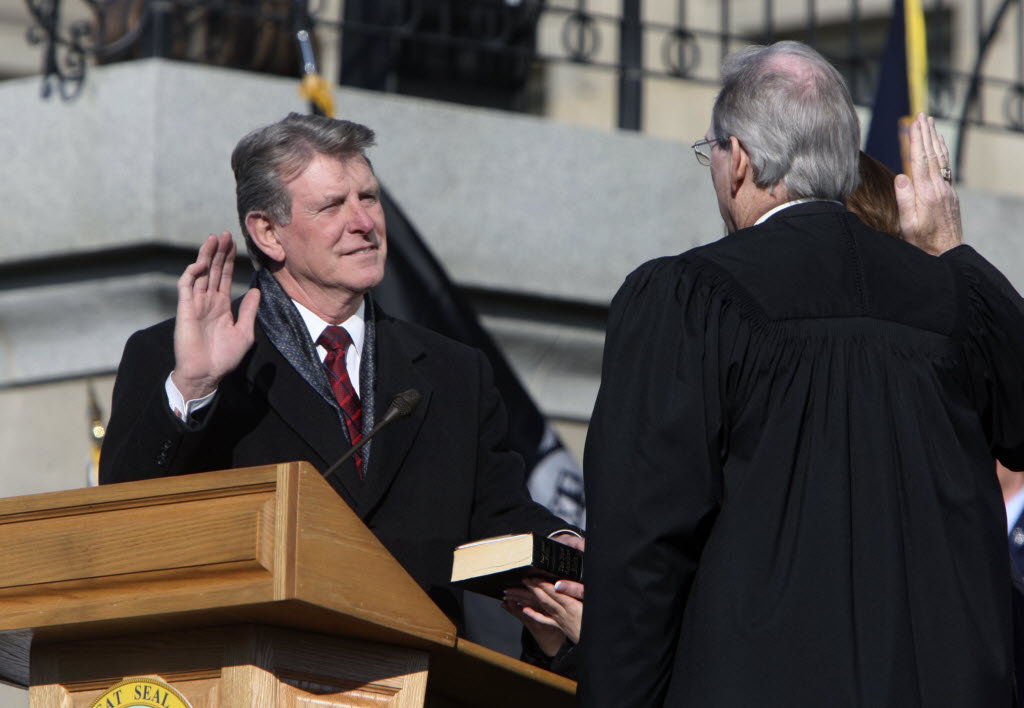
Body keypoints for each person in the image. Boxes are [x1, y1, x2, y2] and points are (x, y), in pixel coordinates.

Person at [579, 40, 1024, 707]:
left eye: (710, 151)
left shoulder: (689, 297)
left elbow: (640, 551)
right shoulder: (951, 297)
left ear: (739, 160)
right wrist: (953, 254)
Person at [99, 113, 581, 631]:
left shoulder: (455, 371)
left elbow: (499, 515)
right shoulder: (175, 357)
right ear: (268, 232)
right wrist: (194, 387)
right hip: (256, 655)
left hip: (418, 663)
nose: (363, 222)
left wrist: (562, 545)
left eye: (368, 198)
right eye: (332, 205)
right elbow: (124, 523)